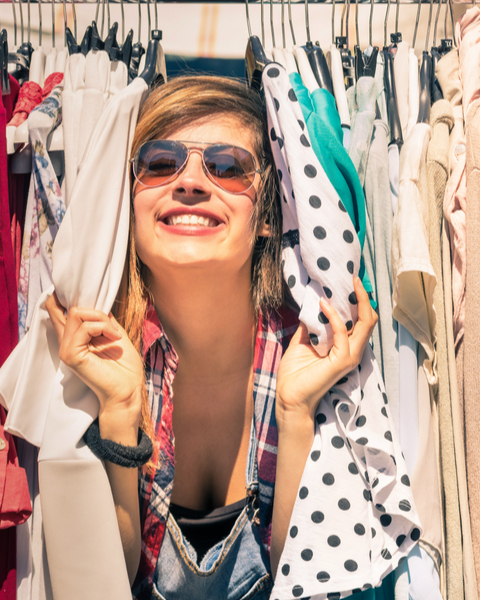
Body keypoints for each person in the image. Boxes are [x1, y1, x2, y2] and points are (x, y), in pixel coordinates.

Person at [42, 76, 378, 599]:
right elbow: (108, 577)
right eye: (159, 163)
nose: (191, 182)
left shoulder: (304, 351)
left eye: (226, 166)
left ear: (266, 215)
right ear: (128, 204)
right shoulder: (98, 353)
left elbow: (301, 574)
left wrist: (293, 414)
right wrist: (121, 409)